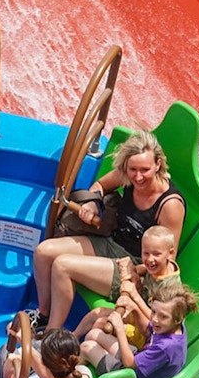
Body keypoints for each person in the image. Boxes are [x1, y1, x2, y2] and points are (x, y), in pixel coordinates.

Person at [29, 131, 186, 332]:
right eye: (133, 169)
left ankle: (51, 334)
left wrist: (134, 275)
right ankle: (43, 315)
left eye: (145, 170)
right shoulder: (128, 176)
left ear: (158, 165)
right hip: (111, 244)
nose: (138, 177)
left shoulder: (170, 206)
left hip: (137, 266)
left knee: (62, 266)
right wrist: (94, 203)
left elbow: (168, 259)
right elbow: (100, 185)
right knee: (44, 252)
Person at [72, 225, 180, 350]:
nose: (150, 259)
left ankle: (86, 356)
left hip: (150, 330)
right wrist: (133, 271)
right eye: (146, 253)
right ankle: (71, 339)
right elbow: (146, 269)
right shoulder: (161, 267)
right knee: (95, 314)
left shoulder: (169, 288)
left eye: (156, 254)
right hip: (138, 314)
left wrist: (133, 294)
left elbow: (156, 318)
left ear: (170, 253)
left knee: (101, 324)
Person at [78, 281, 199, 378]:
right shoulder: (171, 326)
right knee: (94, 334)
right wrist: (135, 308)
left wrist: (120, 329)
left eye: (163, 316)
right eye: (153, 311)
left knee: (86, 347)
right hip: (138, 360)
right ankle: (82, 365)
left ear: (178, 319)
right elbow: (148, 331)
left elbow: (129, 364)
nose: (155, 319)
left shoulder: (166, 347)